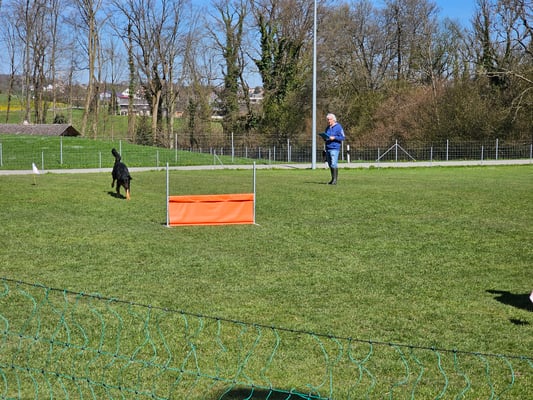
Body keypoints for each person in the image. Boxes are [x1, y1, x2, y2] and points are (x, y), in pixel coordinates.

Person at [321, 113, 345, 185]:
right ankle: (332, 179)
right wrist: (324, 137)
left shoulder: (338, 127)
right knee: (330, 164)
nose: (328, 121)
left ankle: (335, 180)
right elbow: (326, 137)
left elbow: (342, 137)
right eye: (327, 119)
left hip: (335, 148)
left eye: (329, 119)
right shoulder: (327, 128)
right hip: (328, 147)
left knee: (334, 164)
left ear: (334, 119)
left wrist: (334, 138)